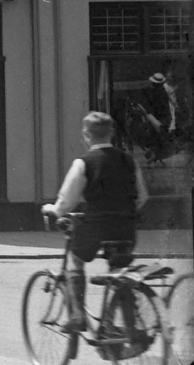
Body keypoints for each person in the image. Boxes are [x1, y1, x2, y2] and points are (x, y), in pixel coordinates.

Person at [43, 111, 149, 334]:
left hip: (95, 226)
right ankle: (123, 325)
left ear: (86, 135)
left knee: (76, 260)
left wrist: (53, 209)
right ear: (111, 133)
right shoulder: (129, 160)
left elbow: (66, 202)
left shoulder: (84, 163)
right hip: (126, 227)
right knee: (119, 271)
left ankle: (78, 316)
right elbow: (142, 197)